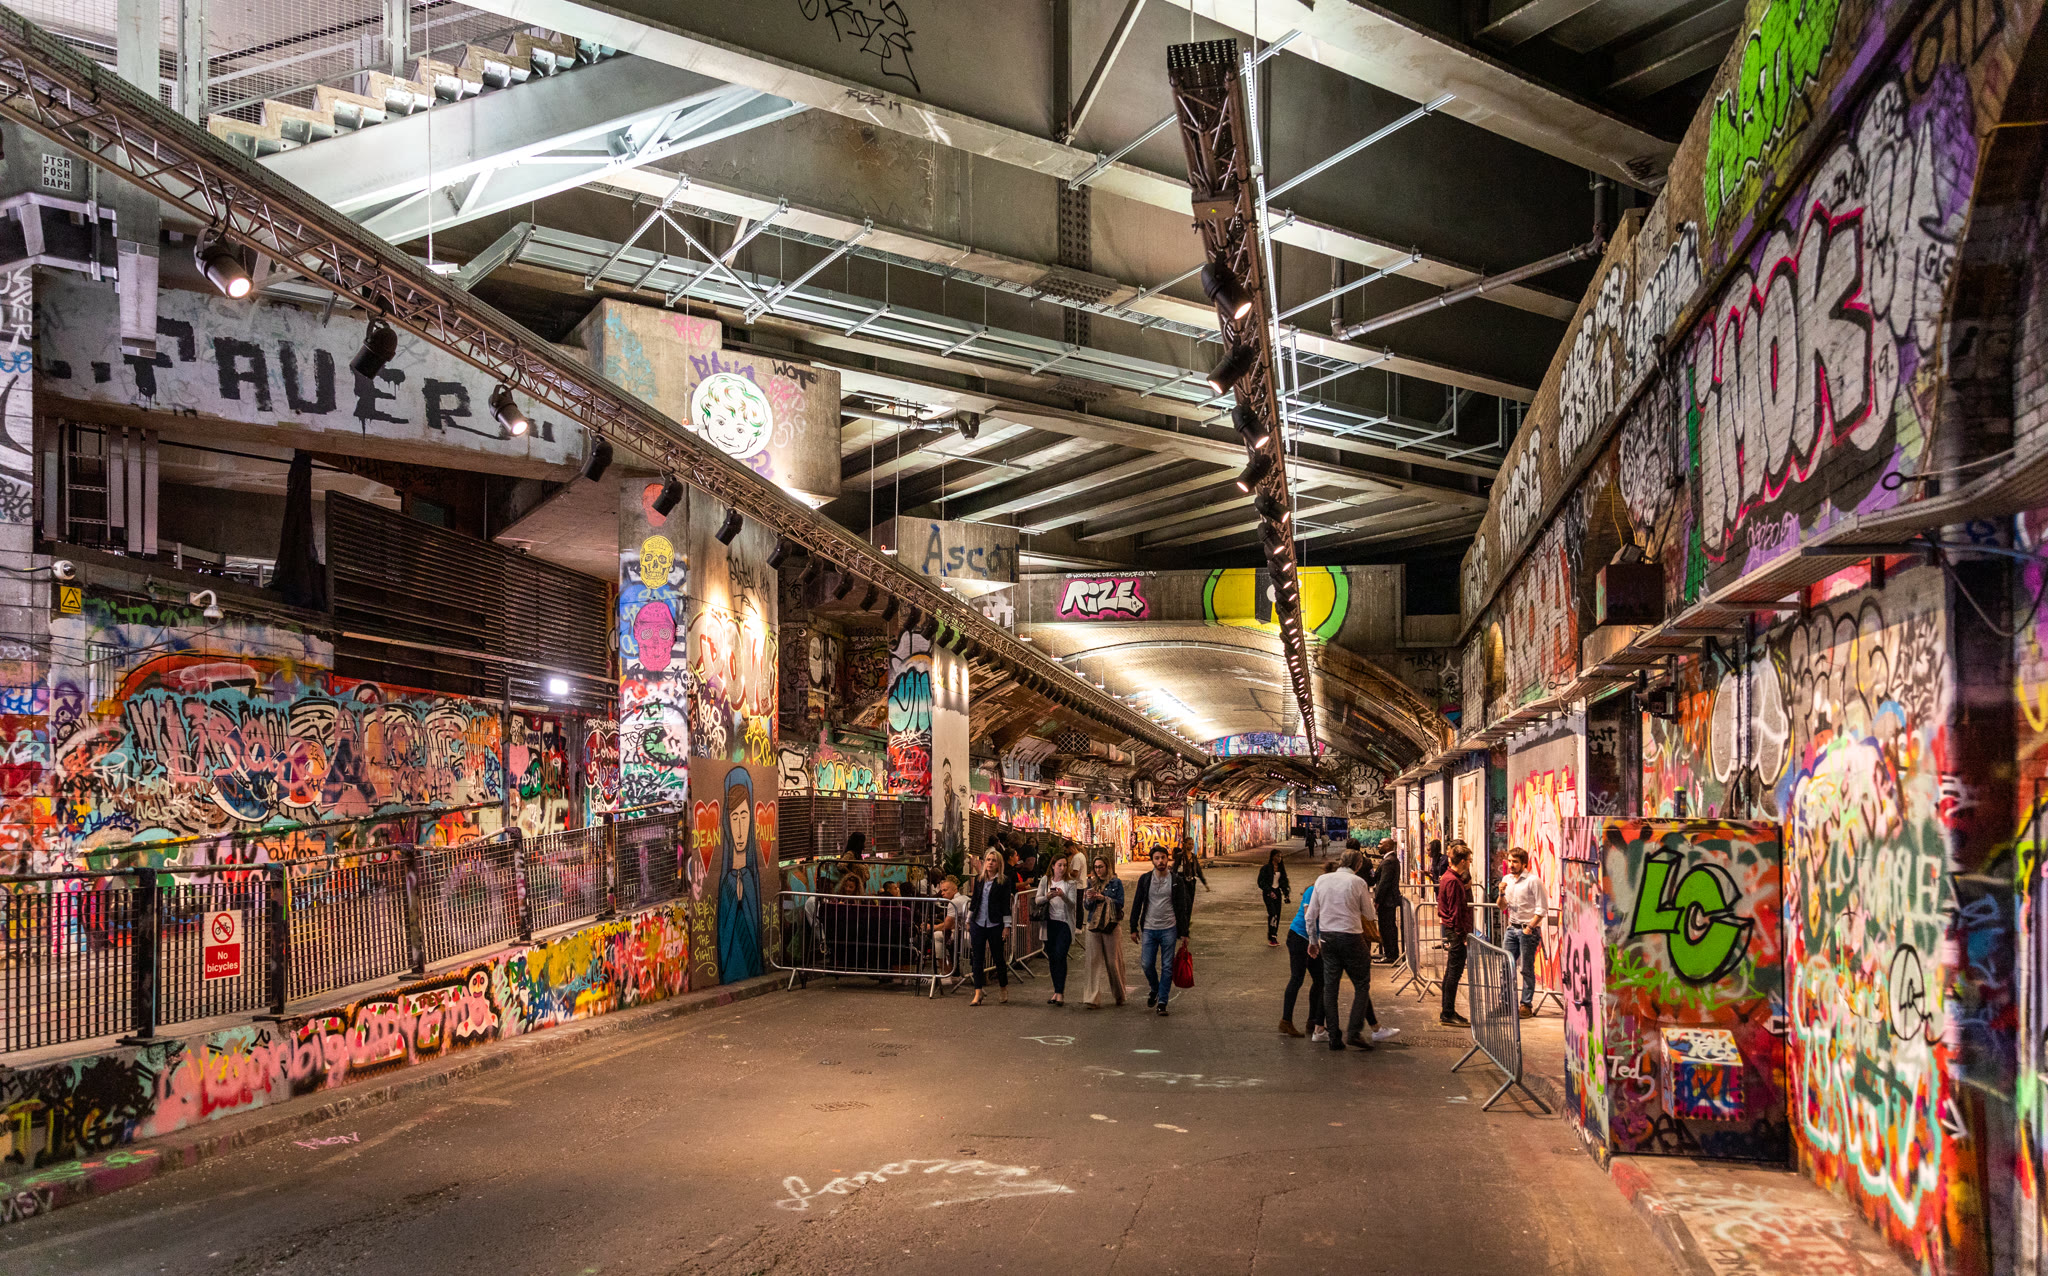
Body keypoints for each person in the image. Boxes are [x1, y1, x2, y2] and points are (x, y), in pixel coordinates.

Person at [1304, 848, 1396, 1050]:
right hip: (1351, 937)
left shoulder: (1322, 880)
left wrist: (1312, 940)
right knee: (1361, 984)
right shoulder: (1358, 882)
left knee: (1330, 987)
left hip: (1327, 938)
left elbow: (1310, 916)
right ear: (1358, 865)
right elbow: (1369, 914)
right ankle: (1354, 1031)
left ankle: (1333, 1036)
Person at [1130, 846, 1191, 1016]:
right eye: (1157, 858)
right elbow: (1137, 903)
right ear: (1152, 860)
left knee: (1167, 966)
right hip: (1149, 928)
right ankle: (1155, 988)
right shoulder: (1145, 879)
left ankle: (1163, 1002)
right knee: (1146, 963)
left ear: (1167, 858)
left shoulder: (1176, 881)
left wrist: (1184, 932)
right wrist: (1133, 927)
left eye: (1163, 857)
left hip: (1169, 928)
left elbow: (1182, 907)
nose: (1160, 861)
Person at [1280, 861, 1335, 1039]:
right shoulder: (1313, 890)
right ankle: (1286, 1020)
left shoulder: (1328, 892)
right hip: (1299, 937)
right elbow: (1308, 917)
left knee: (1320, 979)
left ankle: (1313, 1021)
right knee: (1297, 978)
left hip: (1312, 940)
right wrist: (1314, 941)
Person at [1499, 847, 1545, 1018]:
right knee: (1505, 966)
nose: (1511, 865)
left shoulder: (1533, 881)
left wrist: (1529, 928)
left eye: (1515, 862)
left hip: (1528, 930)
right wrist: (1501, 893)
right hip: (1512, 929)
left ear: (1524, 864)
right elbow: (1502, 907)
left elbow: (1542, 908)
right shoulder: (1507, 880)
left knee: (1526, 968)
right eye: (1510, 861)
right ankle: (1505, 1004)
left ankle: (1526, 1005)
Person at [969, 848, 1016, 1006]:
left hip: (995, 923)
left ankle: (1003, 987)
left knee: (998, 957)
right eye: (988, 860)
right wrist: (969, 920)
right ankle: (978, 991)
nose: (990, 863)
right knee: (977, 958)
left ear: (999, 864)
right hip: (978, 922)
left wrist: (1007, 926)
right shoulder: (979, 879)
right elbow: (974, 901)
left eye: (993, 861)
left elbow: (1005, 905)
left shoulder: (1003, 881)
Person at [1081, 856, 1127, 1008]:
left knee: (1113, 962)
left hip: (1110, 925)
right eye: (1096, 867)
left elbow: (1120, 903)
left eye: (1100, 867)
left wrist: (1104, 898)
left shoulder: (1116, 882)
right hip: (1093, 924)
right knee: (1093, 962)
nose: (1098, 870)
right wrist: (1089, 898)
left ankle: (1119, 994)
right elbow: (1087, 907)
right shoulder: (1090, 883)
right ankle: (1091, 998)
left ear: (1107, 866)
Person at [1036, 856, 1081, 1006]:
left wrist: (1063, 896)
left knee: (1061, 955)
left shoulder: (1070, 883)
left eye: (1065, 865)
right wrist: (1047, 897)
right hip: (1049, 923)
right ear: (1053, 866)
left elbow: (1073, 904)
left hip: (1064, 924)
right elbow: (1037, 899)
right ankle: (1056, 990)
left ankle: (1060, 992)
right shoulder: (1045, 880)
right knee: (1052, 957)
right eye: (1059, 865)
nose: (1062, 868)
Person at [1438, 843, 1474, 1026]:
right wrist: (1462, 935)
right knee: (1454, 973)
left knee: (1451, 972)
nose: (1470, 863)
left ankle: (1448, 1011)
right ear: (1462, 861)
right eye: (1469, 860)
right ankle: (1448, 1012)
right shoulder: (1452, 880)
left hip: (1454, 930)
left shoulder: (1451, 878)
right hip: (1456, 932)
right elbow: (1456, 911)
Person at [926, 875, 969, 971]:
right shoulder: (964, 898)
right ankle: (950, 969)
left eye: (945, 890)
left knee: (937, 936)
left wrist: (931, 927)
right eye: (942, 890)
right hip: (968, 932)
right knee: (945, 935)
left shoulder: (954, 902)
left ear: (954, 890)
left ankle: (946, 970)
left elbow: (947, 925)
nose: (942, 893)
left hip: (966, 935)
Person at [1372, 838, 1403, 964]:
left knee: (1387, 928)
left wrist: (1377, 901)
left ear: (1388, 846)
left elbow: (1383, 883)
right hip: (1387, 901)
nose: (1378, 846)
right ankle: (1388, 952)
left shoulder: (1389, 862)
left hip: (1387, 902)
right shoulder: (1390, 860)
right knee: (1386, 928)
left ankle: (1390, 955)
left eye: (1381, 844)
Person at [1257, 848, 1291, 946]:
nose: (1279, 858)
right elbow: (1260, 882)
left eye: (1280, 856)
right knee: (1272, 914)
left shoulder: (1281, 869)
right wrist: (1269, 891)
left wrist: (1286, 894)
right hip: (1268, 893)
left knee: (1277, 914)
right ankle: (1272, 936)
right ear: (1272, 857)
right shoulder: (1266, 868)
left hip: (1277, 892)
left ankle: (1274, 935)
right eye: (1277, 856)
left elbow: (1284, 882)